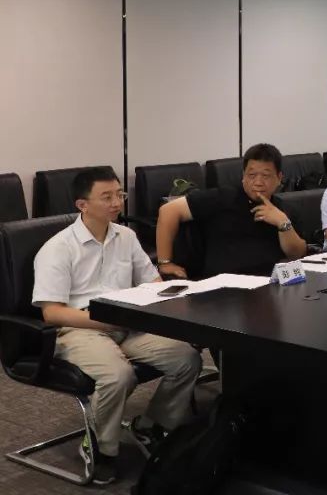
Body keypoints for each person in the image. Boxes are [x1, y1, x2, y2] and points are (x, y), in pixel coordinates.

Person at [33, 167, 202, 484]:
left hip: (124, 323)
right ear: (82, 205)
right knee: (118, 375)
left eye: (119, 194)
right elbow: (51, 313)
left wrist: (178, 294)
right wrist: (103, 320)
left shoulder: (126, 237)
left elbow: (151, 282)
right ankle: (101, 447)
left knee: (186, 359)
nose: (117, 202)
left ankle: (150, 425)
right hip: (80, 327)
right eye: (106, 197)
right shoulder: (58, 248)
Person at [156, 143, 307, 279]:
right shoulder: (222, 198)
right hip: (223, 289)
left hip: (268, 286)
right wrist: (165, 263)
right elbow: (168, 211)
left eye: (266, 176)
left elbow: (297, 254)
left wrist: (283, 223)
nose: (258, 182)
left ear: (279, 177)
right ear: (243, 176)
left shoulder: (283, 210)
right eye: (251, 175)